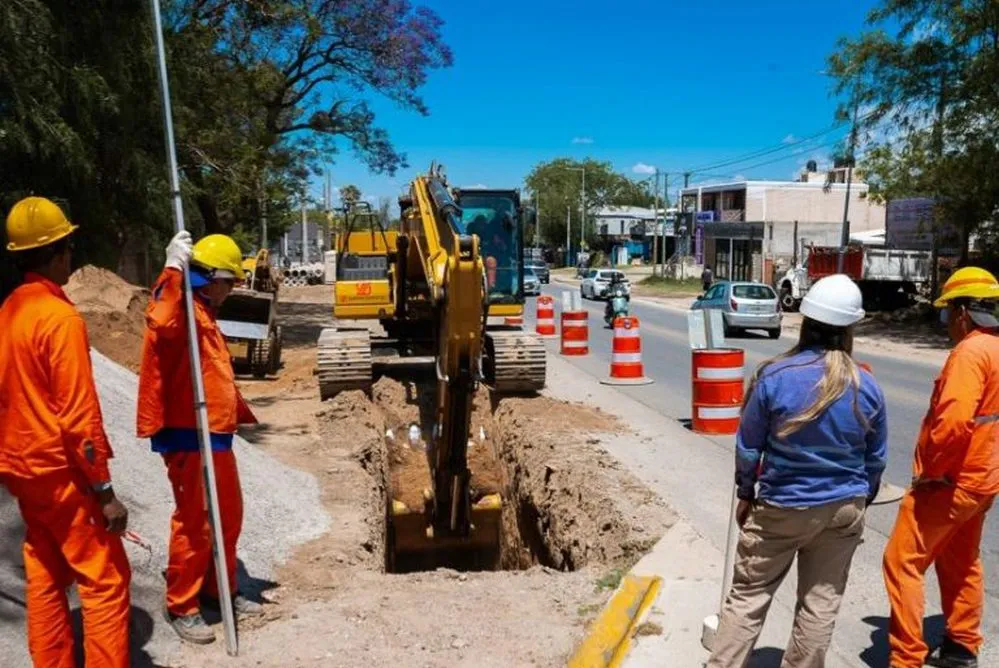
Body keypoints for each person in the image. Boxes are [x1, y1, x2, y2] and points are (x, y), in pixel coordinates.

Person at [706, 274, 887, 668]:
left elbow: (749, 447)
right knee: (819, 606)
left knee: (749, 598)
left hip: (781, 506)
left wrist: (746, 492)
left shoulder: (774, 376)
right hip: (843, 508)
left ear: (804, 322)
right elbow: (875, 459)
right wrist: (862, 499)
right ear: (850, 330)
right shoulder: (867, 386)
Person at [0, 197, 132, 666]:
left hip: (22, 469)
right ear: (57, 252)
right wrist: (104, 490)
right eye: (68, 247)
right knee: (105, 579)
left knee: (45, 572)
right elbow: (79, 417)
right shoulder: (60, 320)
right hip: (62, 474)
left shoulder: (9, 311)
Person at [137, 231, 261, 644]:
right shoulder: (179, 307)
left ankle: (218, 590)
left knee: (227, 513)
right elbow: (161, 319)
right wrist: (172, 269)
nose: (232, 291)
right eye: (230, 282)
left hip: (217, 431)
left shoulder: (203, 311)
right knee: (194, 520)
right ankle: (182, 603)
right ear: (211, 277)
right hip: (189, 432)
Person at [883, 266, 999, 668]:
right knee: (960, 559)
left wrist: (933, 473)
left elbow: (952, 424)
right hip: (983, 480)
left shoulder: (970, 352)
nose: (947, 321)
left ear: (963, 312)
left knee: (901, 562)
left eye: (948, 311)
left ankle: (906, 658)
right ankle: (962, 645)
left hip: (951, 481)